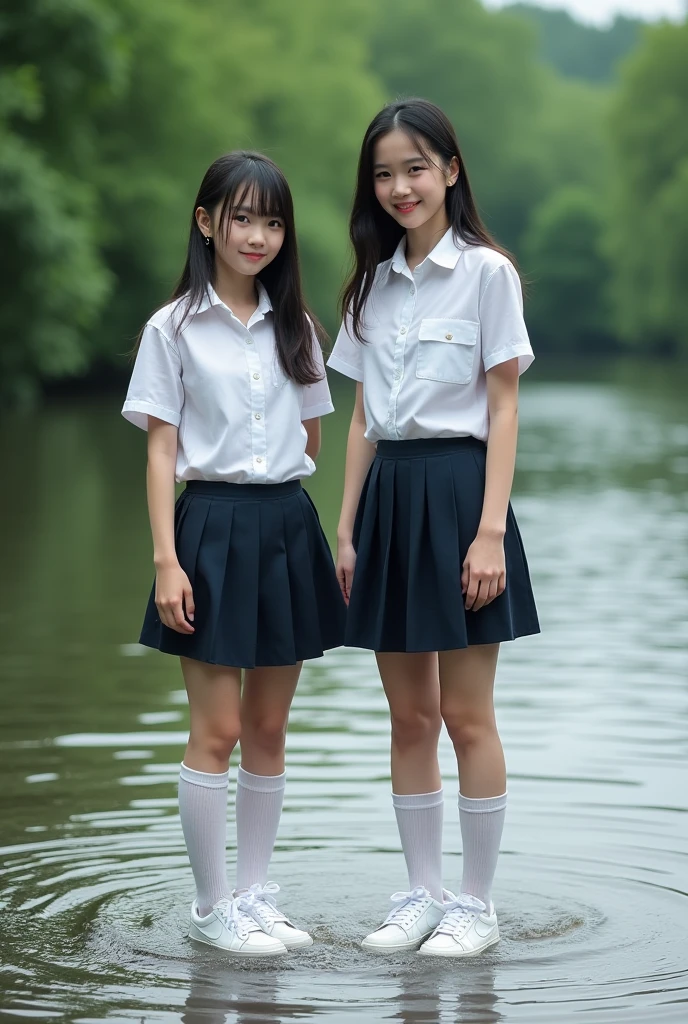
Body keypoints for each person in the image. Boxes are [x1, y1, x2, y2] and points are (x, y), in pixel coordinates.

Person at [328, 99, 540, 957]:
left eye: (415, 168)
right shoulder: (371, 286)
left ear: (450, 170)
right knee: (407, 716)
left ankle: (475, 907)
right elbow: (361, 419)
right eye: (384, 173)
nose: (400, 187)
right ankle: (421, 893)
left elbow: (504, 403)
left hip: (461, 494)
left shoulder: (488, 274)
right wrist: (344, 532)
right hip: (389, 500)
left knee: (466, 714)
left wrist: (489, 532)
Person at [122, 151, 345, 956]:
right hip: (208, 529)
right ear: (206, 220)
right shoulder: (173, 327)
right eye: (242, 218)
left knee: (270, 728)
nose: (258, 236)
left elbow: (312, 436)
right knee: (216, 729)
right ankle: (213, 907)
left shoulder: (300, 330)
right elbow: (159, 452)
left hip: (286, 524)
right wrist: (166, 560)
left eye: (273, 221)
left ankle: (255, 894)